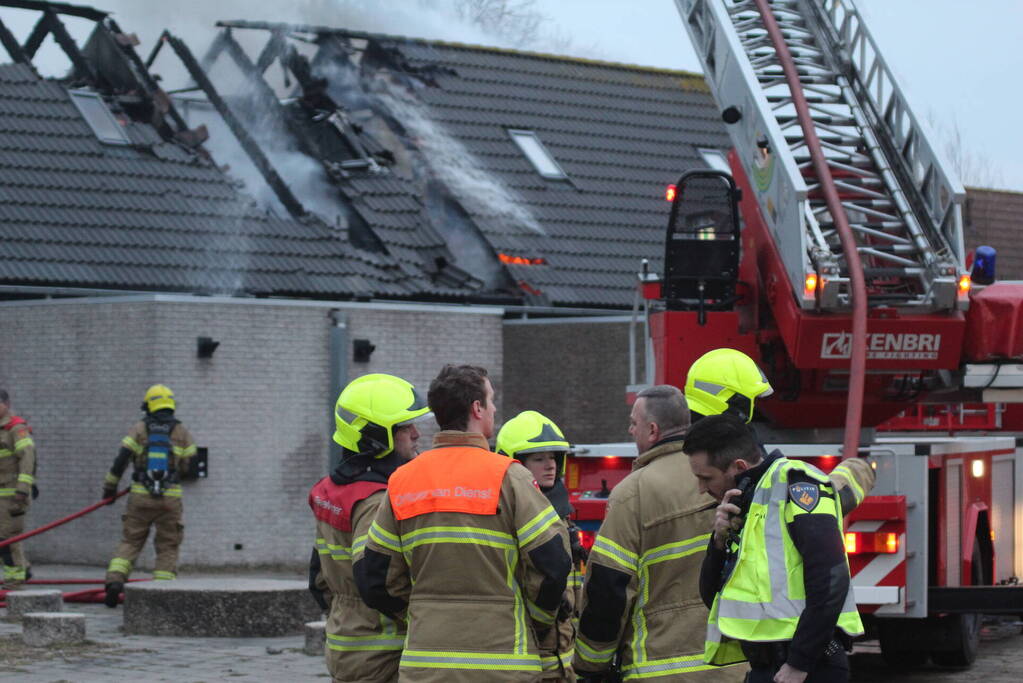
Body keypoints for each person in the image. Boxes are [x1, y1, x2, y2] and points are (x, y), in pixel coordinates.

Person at [355, 364, 572, 682]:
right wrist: (534, 621)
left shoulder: (403, 481)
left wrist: (421, 614)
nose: (495, 409)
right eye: (492, 400)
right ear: (477, 408)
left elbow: (375, 579)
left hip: (426, 666)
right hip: (504, 666)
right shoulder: (510, 477)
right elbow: (553, 566)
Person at [575, 385, 743, 682]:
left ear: (652, 430)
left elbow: (609, 586)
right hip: (734, 665)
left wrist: (591, 662)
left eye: (633, 423)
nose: (630, 430)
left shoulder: (633, 493)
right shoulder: (729, 475)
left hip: (660, 670)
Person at [684, 414, 864, 683]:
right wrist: (719, 542)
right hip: (767, 665)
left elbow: (830, 578)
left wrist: (799, 663)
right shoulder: (747, 497)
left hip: (808, 667)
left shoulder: (799, 485)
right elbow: (712, 598)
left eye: (706, 478)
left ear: (739, 466)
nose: (701, 488)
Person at [308, 373, 431, 682]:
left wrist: (346, 613)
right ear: (377, 436)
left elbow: (317, 578)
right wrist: (421, 619)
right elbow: (377, 582)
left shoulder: (331, 490)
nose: (416, 433)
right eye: (405, 427)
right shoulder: (376, 499)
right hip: (382, 651)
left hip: (346, 641)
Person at [684, 348, 874, 516]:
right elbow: (806, 502)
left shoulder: (680, 446)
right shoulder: (727, 453)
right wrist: (858, 471)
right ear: (737, 403)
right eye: (753, 401)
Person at [496, 410, 587, 682]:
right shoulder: (507, 515)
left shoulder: (562, 514)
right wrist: (543, 619)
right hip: (530, 657)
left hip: (565, 659)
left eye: (553, 457)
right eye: (539, 459)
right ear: (515, 464)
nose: (550, 465)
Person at [101, 384, 196, 607]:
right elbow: (189, 466)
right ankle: (162, 593)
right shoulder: (182, 432)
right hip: (169, 500)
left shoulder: (140, 428)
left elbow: (121, 460)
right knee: (167, 546)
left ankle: (115, 582)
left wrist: (110, 489)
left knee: (131, 541)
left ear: (149, 405)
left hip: (140, 498)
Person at [0, 389, 36, 589]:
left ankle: (14, 580)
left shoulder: (16, 428)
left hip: (13, 494)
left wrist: (22, 490)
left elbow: (27, 457)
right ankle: (24, 568)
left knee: (6, 539)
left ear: (6, 404)